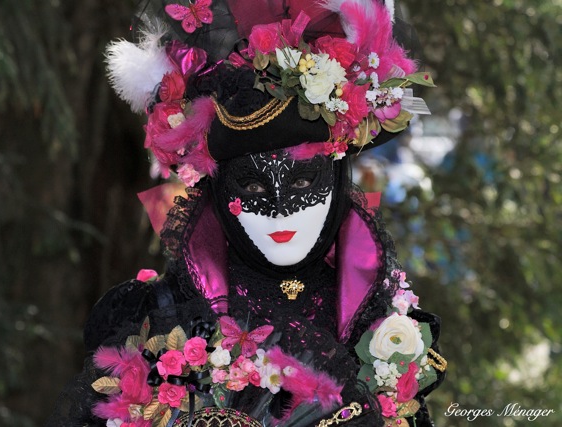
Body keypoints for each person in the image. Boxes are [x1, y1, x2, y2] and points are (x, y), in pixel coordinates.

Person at [48, 1, 446, 426]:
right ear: (219, 190)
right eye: (252, 186)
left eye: (302, 183)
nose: (278, 210)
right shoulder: (160, 317)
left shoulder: (384, 323)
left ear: (336, 177)